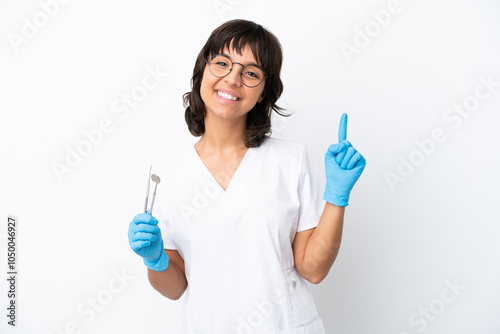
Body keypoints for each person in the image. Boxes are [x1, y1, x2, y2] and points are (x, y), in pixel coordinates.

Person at [128, 19, 366, 333]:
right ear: (203, 70)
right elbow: (174, 288)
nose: (233, 78)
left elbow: (313, 269)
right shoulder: (170, 179)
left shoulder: (290, 161)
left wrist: (337, 196)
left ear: (264, 91)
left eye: (250, 72)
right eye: (222, 63)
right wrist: (155, 259)